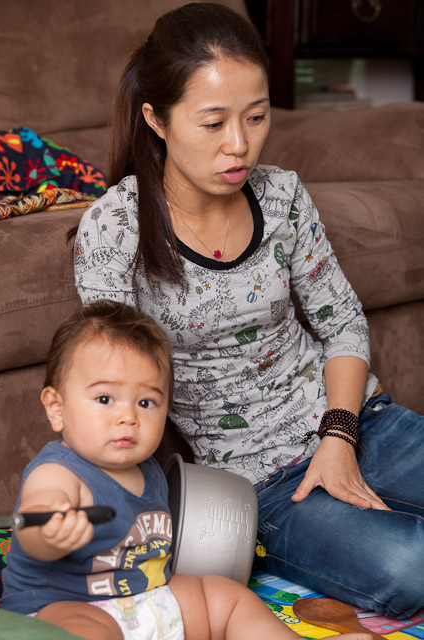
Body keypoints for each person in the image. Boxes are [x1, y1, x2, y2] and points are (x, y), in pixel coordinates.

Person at [73, 1, 424, 621]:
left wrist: (338, 436)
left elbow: (342, 321)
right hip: (259, 483)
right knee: (410, 567)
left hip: (356, 422)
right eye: (213, 123)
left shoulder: (282, 195)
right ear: (156, 118)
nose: (239, 145)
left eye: (256, 117)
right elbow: (113, 385)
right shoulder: (115, 228)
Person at [2, 300, 368, 640]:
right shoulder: (60, 471)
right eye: (104, 399)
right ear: (57, 408)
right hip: (64, 606)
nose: (128, 416)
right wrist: (48, 531)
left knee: (225, 597)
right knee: (86, 629)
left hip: (147, 600)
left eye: (146, 402)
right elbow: (36, 513)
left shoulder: (150, 470)